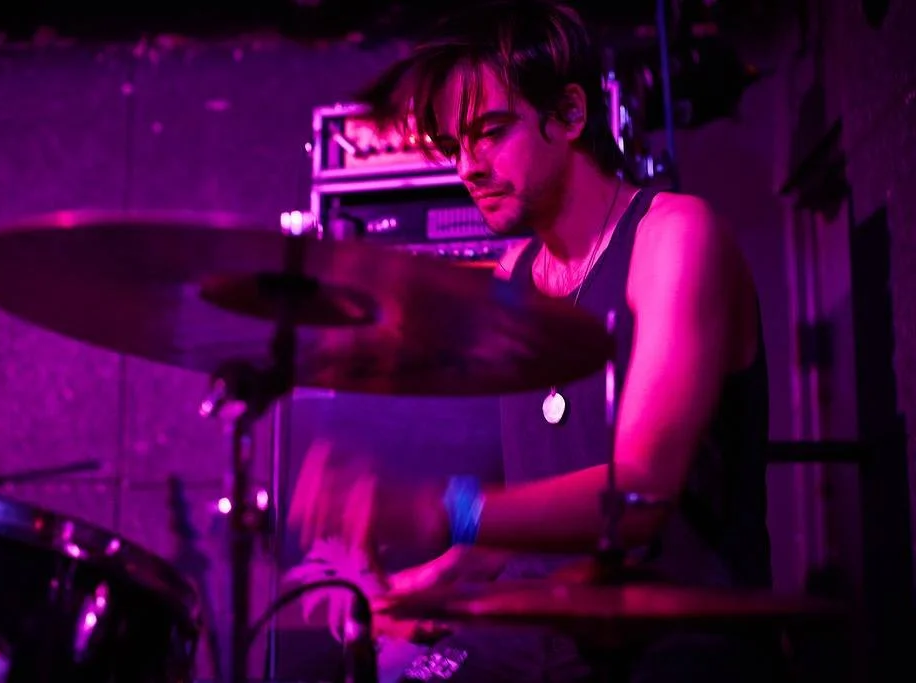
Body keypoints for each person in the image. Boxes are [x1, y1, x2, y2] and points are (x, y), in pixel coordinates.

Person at [288, 1, 777, 680]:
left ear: (570, 114)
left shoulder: (674, 238)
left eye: (489, 132)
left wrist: (439, 507)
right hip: (543, 632)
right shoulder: (514, 275)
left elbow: (638, 498)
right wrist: (430, 580)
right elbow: (531, 509)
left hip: (676, 642)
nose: (467, 167)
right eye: (454, 147)